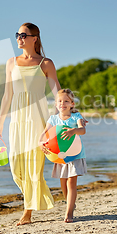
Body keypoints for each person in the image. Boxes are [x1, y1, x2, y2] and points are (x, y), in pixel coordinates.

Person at [0, 22, 61, 226]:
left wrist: (56, 121)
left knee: (33, 168)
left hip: (38, 119)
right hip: (17, 120)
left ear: (35, 38)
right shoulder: (11, 62)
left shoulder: (45, 64)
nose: (19, 38)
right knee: (16, 168)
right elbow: (7, 95)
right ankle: (37, 198)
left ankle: (27, 212)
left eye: (24, 35)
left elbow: (58, 93)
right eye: (17, 34)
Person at [39, 89, 87, 223]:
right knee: (63, 183)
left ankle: (69, 212)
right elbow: (44, 134)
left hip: (75, 154)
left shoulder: (76, 117)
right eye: (59, 101)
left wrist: (73, 131)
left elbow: (83, 130)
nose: (62, 103)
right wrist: (40, 143)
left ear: (72, 104)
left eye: (66, 101)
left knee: (71, 182)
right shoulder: (53, 119)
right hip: (59, 156)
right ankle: (70, 203)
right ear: (55, 104)